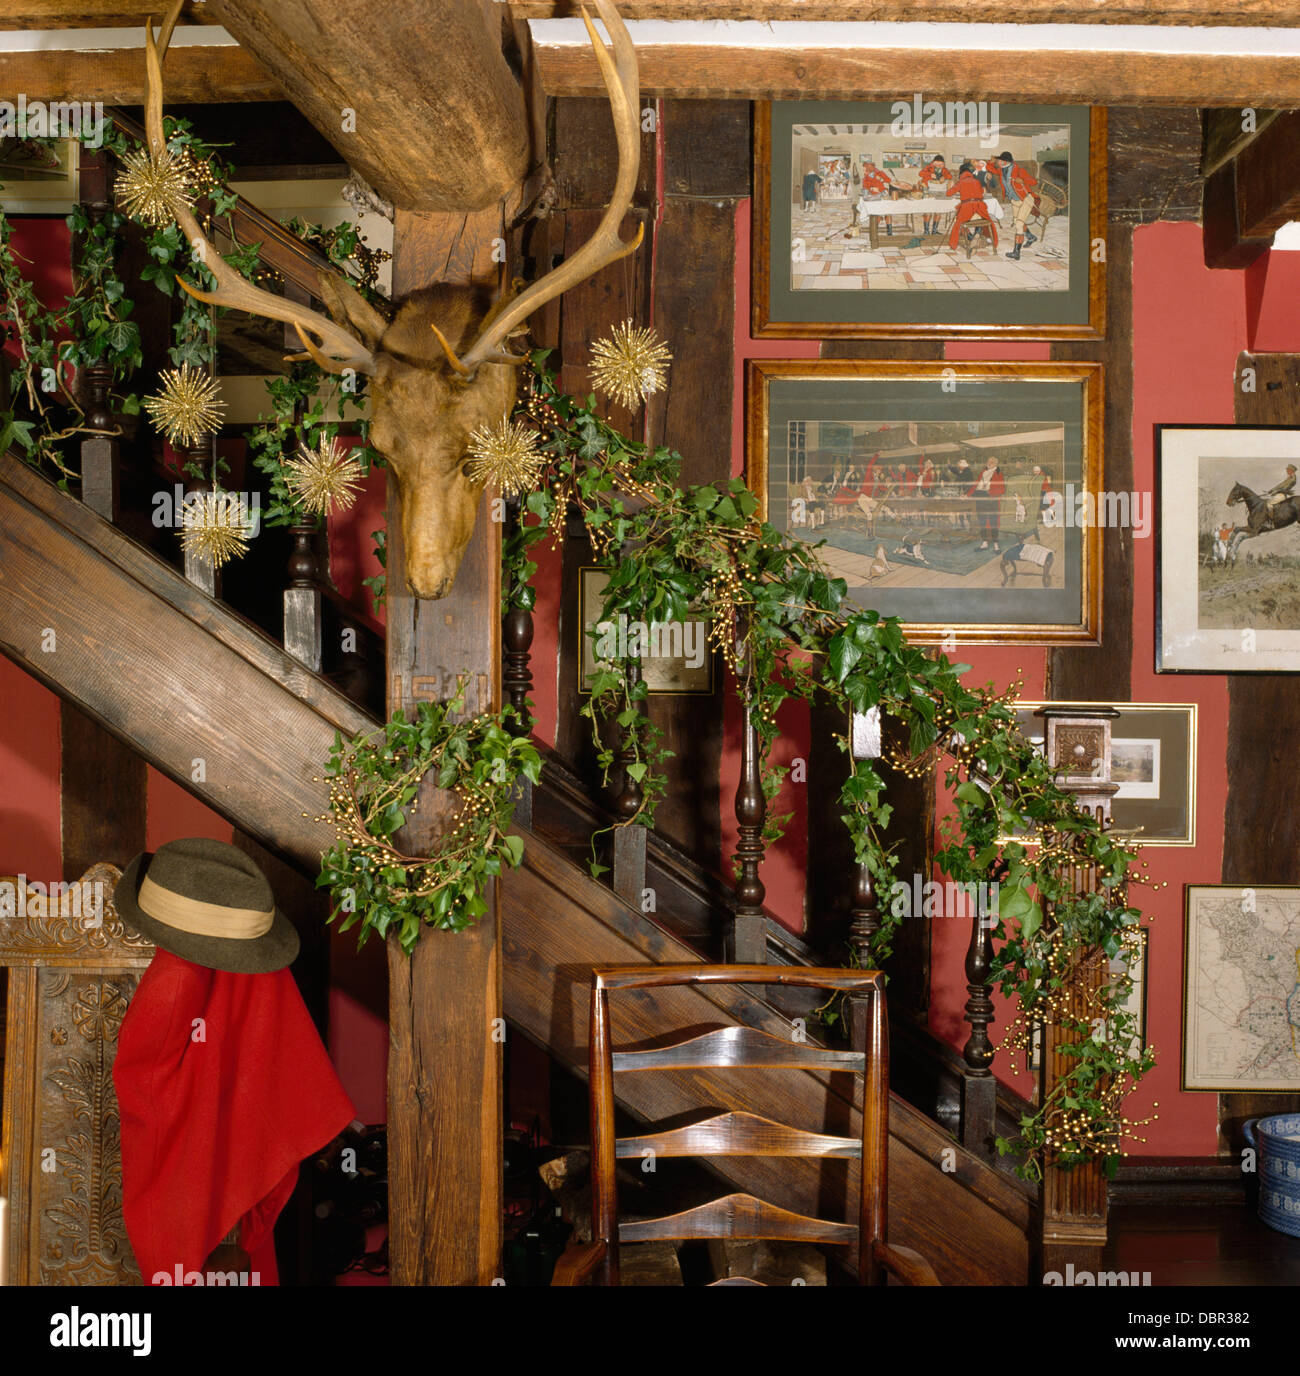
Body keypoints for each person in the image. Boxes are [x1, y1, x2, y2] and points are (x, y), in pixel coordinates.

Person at [995, 150, 1041, 260]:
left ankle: (1016, 252)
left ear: (1007, 162)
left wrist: (1023, 180)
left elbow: (1034, 182)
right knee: (1017, 221)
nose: (999, 162)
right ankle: (1031, 237)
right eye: (999, 160)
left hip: (1026, 199)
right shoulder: (1002, 170)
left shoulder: (1018, 170)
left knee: (1019, 224)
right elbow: (992, 169)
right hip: (1015, 200)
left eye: (1001, 161)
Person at [946, 161, 998, 253]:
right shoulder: (977, 181)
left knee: (958, 221)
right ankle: (977, 235)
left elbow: (948, 193)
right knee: (984, 219)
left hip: (968, 207)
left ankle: (959, 242)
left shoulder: (961, 182)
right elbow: (982, 191)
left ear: (961, 173)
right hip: (980, 207)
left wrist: (952, 187)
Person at [968, 456, 1006, 550]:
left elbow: (1002, 489)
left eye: (992, 462)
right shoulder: (983, 472)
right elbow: (975, 485)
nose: (989, 463)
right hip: (980, 497)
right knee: (982, 521)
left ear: (996, 464)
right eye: (988, 461)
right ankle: (984, 542)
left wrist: (990, 493)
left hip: (991, 499)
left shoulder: (999, 474)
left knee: (993, 522)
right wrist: (967, 495)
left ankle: (996, 544)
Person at [857, 155, 899, 235]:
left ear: (869, 169)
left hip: (883, 196)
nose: (863, 171)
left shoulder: (880, 173)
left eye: (864, 169)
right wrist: (870, 189)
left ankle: (889, 232)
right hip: (873, 198)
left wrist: (881, 180)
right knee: (876, 214)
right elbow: (865, 188)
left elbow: (889, 180)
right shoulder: (865, 178)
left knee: (887, 213)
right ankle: (874, 230)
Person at [918, 154, 952, 236]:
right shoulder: (928, 168)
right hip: (929, 191)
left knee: (938, 211)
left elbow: (949, 176)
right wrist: (929, 175)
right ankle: (926, 231)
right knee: (928, 211)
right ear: (933, 163)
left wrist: (944, 177)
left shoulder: (945, 170)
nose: (939, 166)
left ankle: (934, 230)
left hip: (940, 191)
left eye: (941, 164)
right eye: (937, 164)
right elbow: (920, 174)